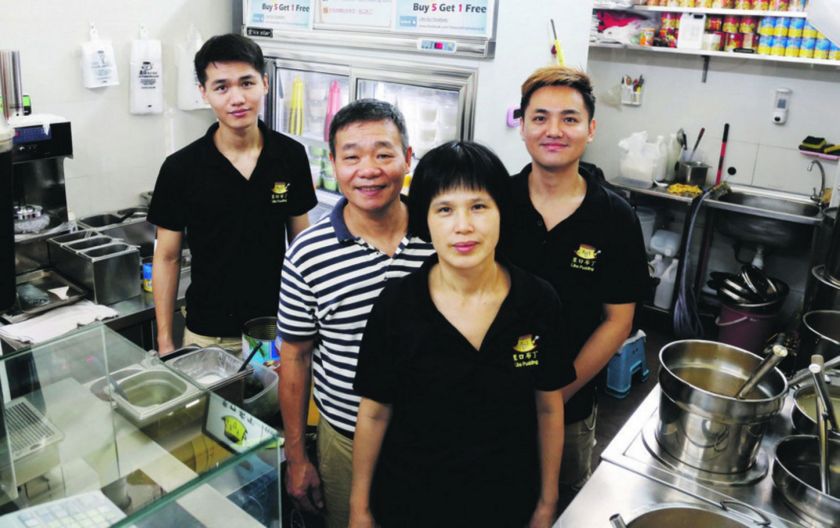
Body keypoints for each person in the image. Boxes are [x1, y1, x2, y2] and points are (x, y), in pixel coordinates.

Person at [350, 141, 576, 528]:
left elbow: (548, 407)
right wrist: (360, 508)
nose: (463, 226)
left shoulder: (538, 300)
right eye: (444, 209)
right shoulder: (398, 304)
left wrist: (546, 501)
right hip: (410, 504)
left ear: (502, 211)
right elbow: (373, 414)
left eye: (478, 206)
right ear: (425, 219)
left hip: (506, 503)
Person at [276, 99, 435, 528]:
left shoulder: (441, 234)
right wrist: (296, 458)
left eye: (384, 154)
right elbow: (295, 356)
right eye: (351, 156)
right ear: (332, 163)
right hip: (344, 439)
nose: (368, 169)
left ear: (407, 158)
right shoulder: (308, 253)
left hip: (435, 434)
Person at [502, 66, 650, 498]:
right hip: (490, 398)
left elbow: (617, 322)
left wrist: (556, 395)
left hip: (571, 406)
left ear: (590, 129)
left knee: (561, 504)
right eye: (540, 117)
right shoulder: (494, 202)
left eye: (569, 118)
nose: (554, 130)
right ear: (523, 125)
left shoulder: (615, 217)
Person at [147, 34, 316, 355]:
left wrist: (308, 321)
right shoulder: (180, 168)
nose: (237, 98)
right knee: (215, 408)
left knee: (277, 407)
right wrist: (165, 339)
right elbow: (167, 257)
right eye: (221, 87)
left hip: (276, 328)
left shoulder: (290, 156)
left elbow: (301, 247)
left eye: (247, 83)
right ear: (204, 93)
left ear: (265, 84)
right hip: (207, 334)